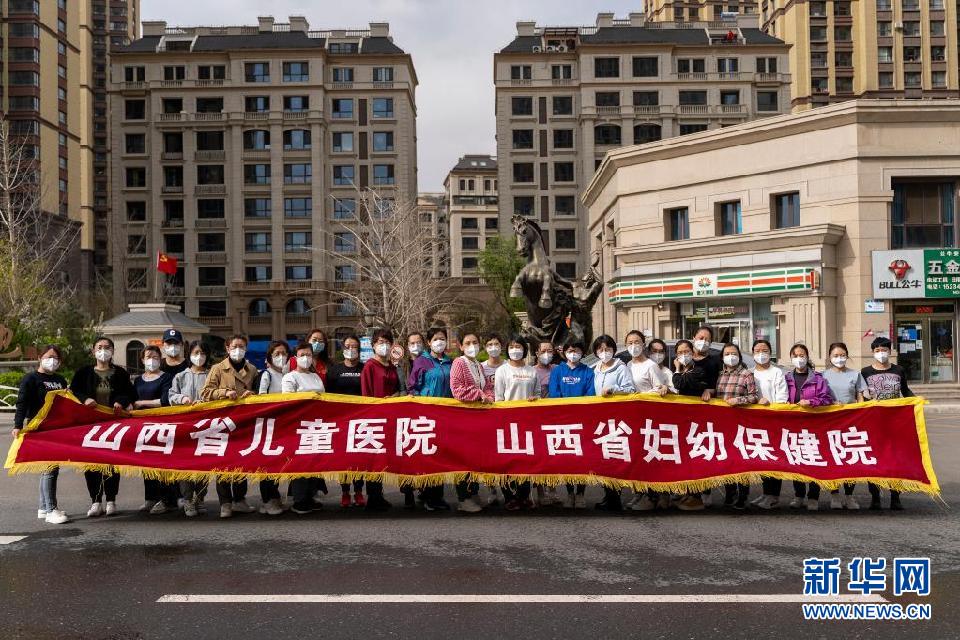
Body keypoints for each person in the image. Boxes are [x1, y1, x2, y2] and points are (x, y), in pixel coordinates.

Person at [70, 337, 136, 518]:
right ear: (93, 351)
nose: (103, 350)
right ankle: (96, 501)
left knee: (111, 463)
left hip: (113, 425)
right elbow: (73, 391)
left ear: (112, 351)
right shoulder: (83, 373)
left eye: (107, 347)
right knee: (92, 463)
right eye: (99, 347)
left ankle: (111, 500)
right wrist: (85, 399)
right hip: (90, 425)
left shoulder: (120, 373)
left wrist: (120, 402)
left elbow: (130, 393)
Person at [200, 334, 257, 518]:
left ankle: (240, 499)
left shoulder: (253, 369)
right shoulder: (218, 369)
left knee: (242, 460)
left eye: (241, 346)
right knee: (223, 463)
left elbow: (260, 393)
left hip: (244, 421)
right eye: (234, 346)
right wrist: (224, 393)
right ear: (227, 348)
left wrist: (252, 394)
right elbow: (205, 393)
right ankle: (225, 502)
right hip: (223, 422)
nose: (238, 349)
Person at [14, 345, 69, 524]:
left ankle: (43, 507)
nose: (52, 360)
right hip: (38, 427)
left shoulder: (60, 380)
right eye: (48, 356)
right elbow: (22, 402)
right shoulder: (31, 378)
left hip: (56, 427)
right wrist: (17, 425)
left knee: (49, 469)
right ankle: (51, 509)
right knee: (49, 469)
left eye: (56, 358)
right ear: (40, 357)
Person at [861, 336, 912, 511]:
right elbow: (861, 395)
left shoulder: (899, 370)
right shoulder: (865, 372)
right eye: (877, 351)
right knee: (874, 460)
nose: (881, 354)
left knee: (895, 460)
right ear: (872, 352)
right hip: (873, 423)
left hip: (895, 422)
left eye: (884, 350)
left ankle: (895, 497)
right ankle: (875, 497)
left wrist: (916, 401)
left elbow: (905, 391)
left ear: (890, 351)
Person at [407, 327, 453, 511]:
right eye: (436, 339)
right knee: (427, 456)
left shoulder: (451, 363)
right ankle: (427, 495)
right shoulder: (422, 362)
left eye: (442, 339)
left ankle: (438, 496)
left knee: (441, 456)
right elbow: (413, 387)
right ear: (429, 342)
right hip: (426, 416)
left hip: (446, 415)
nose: (439, 342)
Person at [167, 341, 216, 517]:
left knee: (204, 464)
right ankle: (187, 499)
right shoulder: (181, 376)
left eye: (203, 353)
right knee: (185, 465)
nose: (199, 356)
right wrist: (183, 399)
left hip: (207, 427)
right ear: (189, 355)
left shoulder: (212, 375)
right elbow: (171, 396)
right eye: (196, 352)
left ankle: (200, 498)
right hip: (185, 428)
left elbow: (218, 394)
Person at [784, 343, 835, 511]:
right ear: (791, 358)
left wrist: (810, 402)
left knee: (814, 461)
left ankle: (813, 497)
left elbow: (827, 399)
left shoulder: (818, 378)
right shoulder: (787, 378)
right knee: (796, 460)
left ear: (807, 357)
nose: (799, 359)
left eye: (802, 355)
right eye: (796, 356)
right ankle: (799, 495)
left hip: (814, 426)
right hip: (794, 426)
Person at [629, 338, 676, 512]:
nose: (657, 354)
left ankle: (658, 496)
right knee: (640, 458)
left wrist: (664, 389)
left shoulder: (655, 367)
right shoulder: (628, 365)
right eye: (654, 350)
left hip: (656, 419)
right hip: (636, 419)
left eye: (660, 351)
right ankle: (643, 494)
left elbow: (665, 390)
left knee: (656, 457)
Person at [450, 332, 495, 513]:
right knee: (462, 458)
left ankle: (473, 492)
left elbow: (487, 387)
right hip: (462, 418)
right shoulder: (459, 363)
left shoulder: (477, 364)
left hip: (477, 418)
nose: (471, 346)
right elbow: (457, 390)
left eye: (475, 342)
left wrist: (489, 396)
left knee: (475, 457)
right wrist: (479, 395)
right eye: (467, 343)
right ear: (460, 346)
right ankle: (463, 497)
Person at [494, 336, 539, 510]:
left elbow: (537, 394)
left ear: (524, 349)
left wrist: (535, 399)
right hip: (506, 422)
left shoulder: (531, 371)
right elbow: (498, 397)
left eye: (518, 346)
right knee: (506, 460)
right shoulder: (502, 371)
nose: (515, 349)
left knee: (525, 460)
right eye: (512, 346)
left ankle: (523, 495)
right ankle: (508, 496)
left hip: (527, 422)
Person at [592, 334, 636, 511]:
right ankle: (607, 494)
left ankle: (615, 496)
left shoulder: (621, 368)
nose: (604, 353)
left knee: (615, 456)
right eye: (601, 349)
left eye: (608, 349)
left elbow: (630, 389)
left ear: (613, 351)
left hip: (617, 419)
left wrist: (613, 389)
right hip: (599, 419)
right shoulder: (595, 369)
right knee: (602, 458)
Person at [822, 342, 869, 511]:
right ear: (829, 357)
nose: (839, 359)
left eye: (842, 355)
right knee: (833, 460)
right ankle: (834, 495)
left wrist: (859, 412)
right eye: (835, 355)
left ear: (847, 356)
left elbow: (860, 396)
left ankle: (849, 496)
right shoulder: (823, 376)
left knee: (850, 459)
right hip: (830, 422)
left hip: (851, 423)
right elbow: (821, 398)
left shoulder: (855, 375)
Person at [548, 341, 595, 509]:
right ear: (564, 352)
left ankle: (581, 493)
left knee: (583, 460)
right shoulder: (558, 371)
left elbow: (591, 394)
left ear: (582, 352)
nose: (573, 353)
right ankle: (569, 493)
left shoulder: (588, 372)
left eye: (576, 350)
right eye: (569, 350)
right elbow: (554, 394)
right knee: (567, 459)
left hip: (583, 422)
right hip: (563, 422)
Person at [282, 342, 327, 515]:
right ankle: (299, 500)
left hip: (317, 426)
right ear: (295, 357)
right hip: (298, 427)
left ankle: (311, 496)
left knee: (314, 463)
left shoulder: (316, 377)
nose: (306, 358)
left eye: (308, 355)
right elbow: (288, 402)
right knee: (299, 463)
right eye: (302, 355)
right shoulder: (290, 377)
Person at [360, 329, 401, 512]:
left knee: (385, 457)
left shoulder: (392, 366)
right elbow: (366, 394)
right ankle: (373, 496)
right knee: (373, 457)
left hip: (391, 416)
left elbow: (399, 389)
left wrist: (394, 398)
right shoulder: (369, 366)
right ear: (373, 345)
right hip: (374, 417)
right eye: (380, 342)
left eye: (386, 341)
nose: (383, 345)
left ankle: (380, 494)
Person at [715, 343, 759, 510]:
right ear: (722, 357)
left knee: (740, 459)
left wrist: (738, 401)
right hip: (723, 424)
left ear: (739, 356)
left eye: (734, 353)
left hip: (741, 423)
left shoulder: (746, 374)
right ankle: (730, 491)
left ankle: (743, 494)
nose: (731, 356)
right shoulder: (719, 374)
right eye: (727, 353)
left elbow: (753, 396)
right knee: (727, 459)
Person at [134, 345, 176, 515]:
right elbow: (132, 400)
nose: (151, 360)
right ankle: (150, 498)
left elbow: (165, 400)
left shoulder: (167, 377)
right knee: (146, 464)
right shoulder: (138, 380)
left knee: (163, 464)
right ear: (142, 360)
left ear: (160, 359)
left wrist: (143, 403)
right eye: (148, 356)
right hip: (142, 426)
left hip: (162, 424)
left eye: (155, 356)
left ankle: (167, 500)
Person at [749, 339, 789, 510]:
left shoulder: (777, 372)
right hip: (754, 421)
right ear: (752, 353)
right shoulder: (749, 372)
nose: (761, 353)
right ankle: (766, 493)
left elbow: (782, 396)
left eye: (764, 350)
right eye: (757, 350)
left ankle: (774, 496)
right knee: (762, 458)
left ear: (770, 352)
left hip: (773, 420)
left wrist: (772, 409)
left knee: (774, 459)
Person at [327, 335, 366, 508]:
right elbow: (328, 395)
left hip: (362, 420)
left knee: (359, 458)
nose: (351, 349)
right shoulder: (334, 370)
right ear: (342, 348)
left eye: (355, 346)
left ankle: (358, 491)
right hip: (341, 421)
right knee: (343, 459)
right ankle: (344, 492)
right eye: (348, 345)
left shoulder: (365, 368)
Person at [672, 339, 710, 511]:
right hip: (682, 421)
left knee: (696, 458)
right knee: (685, 458)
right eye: (679, 353)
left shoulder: (699, 370)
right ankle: (687, 493)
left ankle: (696, 497)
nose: (683, 355)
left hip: (697, 421)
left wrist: (677, 370)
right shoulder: (683, 371)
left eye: (686, 352)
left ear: (693, 352)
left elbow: (679, 383)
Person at [255, 340, 290, 515]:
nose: (281, 357)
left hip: (284, 425)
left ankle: (274, 495)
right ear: (270, 357)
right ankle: (267, 500)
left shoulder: (288, 374)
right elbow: (261, 400)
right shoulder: (266, 375)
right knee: (267, 463)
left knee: (278, 464)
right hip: (269, 425)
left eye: (284, 353)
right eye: (277, 354)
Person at [532, 340, 561, 506]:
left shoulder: (557, 369)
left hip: (554, 419)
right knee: (538, 457)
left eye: (550, 351)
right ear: (536, 353)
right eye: (543, 351)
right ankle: (540, 492)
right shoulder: (531, 371)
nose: (547, 354)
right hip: (537, 419)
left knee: (554, 456)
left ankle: (553, 490)